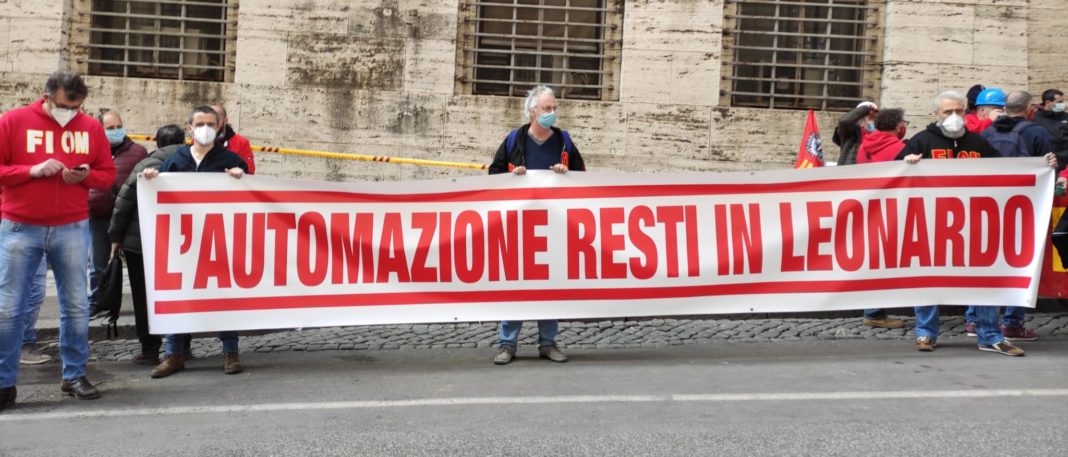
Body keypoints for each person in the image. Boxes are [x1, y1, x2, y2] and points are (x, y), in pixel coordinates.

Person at [897, 90, 1057, 356]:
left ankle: (990, 335)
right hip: (932, 225)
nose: (954, 116)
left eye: (959, 111)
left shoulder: (977, 142)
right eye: (948, 112)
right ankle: (926, 333)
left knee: (983, 280)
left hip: (973, 227)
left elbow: (1006, 172)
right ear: (936, 114)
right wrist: (906, 163)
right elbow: (893, 176)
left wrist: (1042, 165)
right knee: (928, 279)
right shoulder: (921, 141)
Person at [0, 71, 116, 410]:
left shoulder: (91, 127)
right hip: (20, 225)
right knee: (8, 309)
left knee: (77, 306)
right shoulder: (14, 121)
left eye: (77, 106)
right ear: (46, 96)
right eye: (65, 105)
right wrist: (31, 171)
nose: (70, 112)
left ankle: (74, 375)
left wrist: (84, 177)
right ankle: (5, 382)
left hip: (71, 225)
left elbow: (106, 175)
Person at [142, 106, 248, 378]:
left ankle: (230, 352)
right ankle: (174, 355)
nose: (205, 128)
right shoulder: (176, 159)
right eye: (200, 123)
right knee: (180, 296)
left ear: (219, 126)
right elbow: (160, 189)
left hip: (219, 241)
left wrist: (240, 178)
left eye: (211, 123)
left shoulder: (231, 159)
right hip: (182, 242)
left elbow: (250, 197)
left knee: (224, 295)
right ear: (189, 128)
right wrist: (153, 180)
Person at [488, 85, 585, 365]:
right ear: (532, 111)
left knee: (550, 283)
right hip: (519, 225)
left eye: (554, 108)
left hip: (553, 225)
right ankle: (507, 344)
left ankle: (548, 342)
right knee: (516, 284)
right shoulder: (513, 140)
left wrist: (566, 175)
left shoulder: (564, 141)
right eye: (546, 108)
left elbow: (582, 176)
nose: (551, 113)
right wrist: (512, 175)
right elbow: (492, 174)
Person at [965, 90, 1056, 341]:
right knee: (1022, 264)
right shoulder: (1037, 133)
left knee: (985, 263)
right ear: (1030, 109)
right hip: (1025, 211)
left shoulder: (987, 133)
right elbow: (1050, 172)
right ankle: (1012, 324)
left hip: (989, 209)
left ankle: (974, 319)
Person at [108, 124, 186, 366]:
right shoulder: (192, 164)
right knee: (182, 295)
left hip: (140, 243)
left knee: (144, 298)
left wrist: (115, 237)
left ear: (157, 142)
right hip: (180, 243)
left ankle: (150, 349)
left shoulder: (145, 165)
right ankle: (182, 346)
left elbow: (124, 202)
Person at [87, 111, 147, 314]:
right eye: (110, 128)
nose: (116, 131)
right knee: (98, 264)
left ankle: (142, 303)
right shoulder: (90, 151)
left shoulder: (138, 152)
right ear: (100, 130)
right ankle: (98, 300)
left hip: (128, 218)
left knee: (135, 265)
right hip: (98, 216)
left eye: (118, 126)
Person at [855, 108, 909, 329]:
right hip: (892, 210)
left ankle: (873, 310)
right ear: (898, 127)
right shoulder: (900, 149)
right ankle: (875, 313)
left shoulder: (865, 146)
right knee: (886, 263)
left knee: (874, 260)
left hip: (868, 207)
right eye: (903, 122)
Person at [211, 104, 255, 175]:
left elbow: (249, 171)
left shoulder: (241, 142)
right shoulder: (198, 141)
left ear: (225, 120)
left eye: (216, 119)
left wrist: (239, 172)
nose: (213, 124)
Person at [832, 101, 878, 165]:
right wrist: (866, 109)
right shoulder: (851, 133)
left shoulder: (879, 135)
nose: (874, 121)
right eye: (871, 118)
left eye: (875, 118)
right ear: (860, 121)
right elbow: (844, 121)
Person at [1032, 89, 1068, 166]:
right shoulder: (1034, 118)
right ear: (1048, 102)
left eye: (1062, 101)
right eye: (1059, 102)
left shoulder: (1065, 117)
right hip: (1046, 163)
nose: (1062, 104)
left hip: (1065, 163)